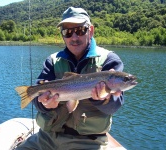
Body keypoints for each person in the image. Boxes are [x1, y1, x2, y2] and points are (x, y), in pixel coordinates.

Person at [16, 7, 124, 150]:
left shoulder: (109, 60)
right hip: (47, 137)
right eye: (68, 32)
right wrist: (45, 104)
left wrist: (104, 99)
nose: (74, 37)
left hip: (88, 142)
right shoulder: (52, 61)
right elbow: (37, 99)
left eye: (80, 30)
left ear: (90, 31)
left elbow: (115, 106)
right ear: (63, 36)